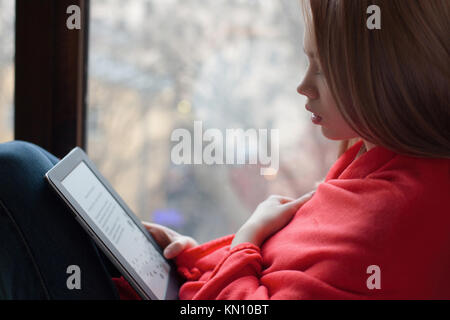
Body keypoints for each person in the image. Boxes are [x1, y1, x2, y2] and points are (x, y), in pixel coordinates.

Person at [1, 0, 449, 299]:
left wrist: (247, 237)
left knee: (17, 174)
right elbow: (285, 270)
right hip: (192, 287)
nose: (303, 86)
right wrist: (195, 256)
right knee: (44, 179)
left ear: (384, 77)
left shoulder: (388, 218)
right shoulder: (373, 161)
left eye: (323, 70)